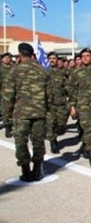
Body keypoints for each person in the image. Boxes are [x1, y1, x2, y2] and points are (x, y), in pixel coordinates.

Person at [2, 43, 49, 181]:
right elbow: (50, 93)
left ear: (20, 54)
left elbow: (8, 95)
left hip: (21, 113)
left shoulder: (14, 71)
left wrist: (7, 114)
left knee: (21, 142)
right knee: (38, 142)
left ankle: (26, 171)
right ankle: (37, 170)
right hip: (39, 113)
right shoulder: (42, 70)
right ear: (31, 54)